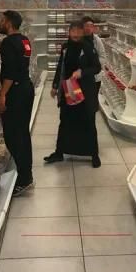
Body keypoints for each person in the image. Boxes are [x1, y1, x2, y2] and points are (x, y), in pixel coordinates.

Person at [0, 10, 35, 196]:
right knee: (22, 132)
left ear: (9, 23)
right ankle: (26, 173)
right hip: (26, 88)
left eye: (2, 21)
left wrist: (2, 95)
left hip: (16, 92)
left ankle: (25, 178)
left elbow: (10, 72)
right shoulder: (23, 40)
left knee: (13, 136)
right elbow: (4, 50)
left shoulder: (11, 43)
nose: (0, 23)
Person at [44, 21, 102, 168]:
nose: (75, 34)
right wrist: (55, 85)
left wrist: (82, 72)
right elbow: (60, 67)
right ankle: (59, 152)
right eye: (73, 31)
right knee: (65, 121)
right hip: (68, 90)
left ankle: (94, 154)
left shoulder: (88, 48)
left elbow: (97, 67)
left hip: (84, 92)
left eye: (78, 31)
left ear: (83, 33)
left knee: (88, 122)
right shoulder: (65, 48)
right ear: (69, 32)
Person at [81, 16, 106, 110]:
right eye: (86, 25)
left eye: (91, 26)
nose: (88, 28)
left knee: (92, 102)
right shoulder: (77, 39)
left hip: (95, 77)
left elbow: (103, 56)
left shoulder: (96, 40)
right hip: (81, 77)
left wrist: (93, 66)